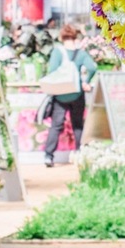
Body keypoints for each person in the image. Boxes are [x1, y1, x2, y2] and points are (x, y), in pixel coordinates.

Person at [44, 24, 97, 166]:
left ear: (62, 37)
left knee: (56, 125)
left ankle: (49, 156)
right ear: (75, 36)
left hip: (60, 94)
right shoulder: (81, 53)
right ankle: (80, 154)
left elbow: (52, 71)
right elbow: (92, 67)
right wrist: (86, 81)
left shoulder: (57, 52)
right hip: (77, 93)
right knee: (78, 125)